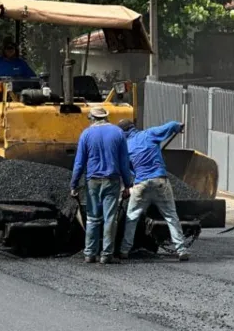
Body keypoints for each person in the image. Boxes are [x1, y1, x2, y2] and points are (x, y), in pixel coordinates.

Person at [117, 119, 190, 262]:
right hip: (160, 181)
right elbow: (168, 127)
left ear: (124, 132)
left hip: (141, 185)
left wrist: (127, 187)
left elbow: (127, 169)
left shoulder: (125, 146)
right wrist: (177, 126)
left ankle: (124, 250)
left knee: (131, 217)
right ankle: (181, 250)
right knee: (171, 216)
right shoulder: (149, 134)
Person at [70, 106, 133, 265]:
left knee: (92, 218)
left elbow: (79, 163)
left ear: (92, 118)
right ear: (106, 117)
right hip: (112, 180)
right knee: (110, 218)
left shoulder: (86, 134)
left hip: (92, 180)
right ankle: (107, 255)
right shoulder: (118, 133)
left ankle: (90, 254)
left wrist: (74, 184)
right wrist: (127, 184)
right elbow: (124, 162)